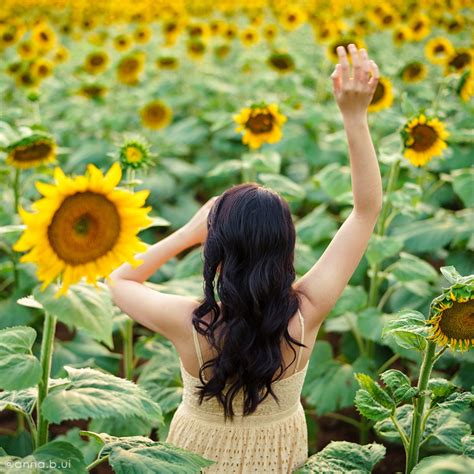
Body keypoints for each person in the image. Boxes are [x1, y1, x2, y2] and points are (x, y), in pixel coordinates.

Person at [107, 44, 383, 473]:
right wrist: (354, 116)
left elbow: (120, 281)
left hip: (196, 455)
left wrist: (187, 232)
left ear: (215, 251)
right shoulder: (307, 313)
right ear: (287, 246)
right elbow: (366, 210)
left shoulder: (193, 324)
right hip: (275, 458)